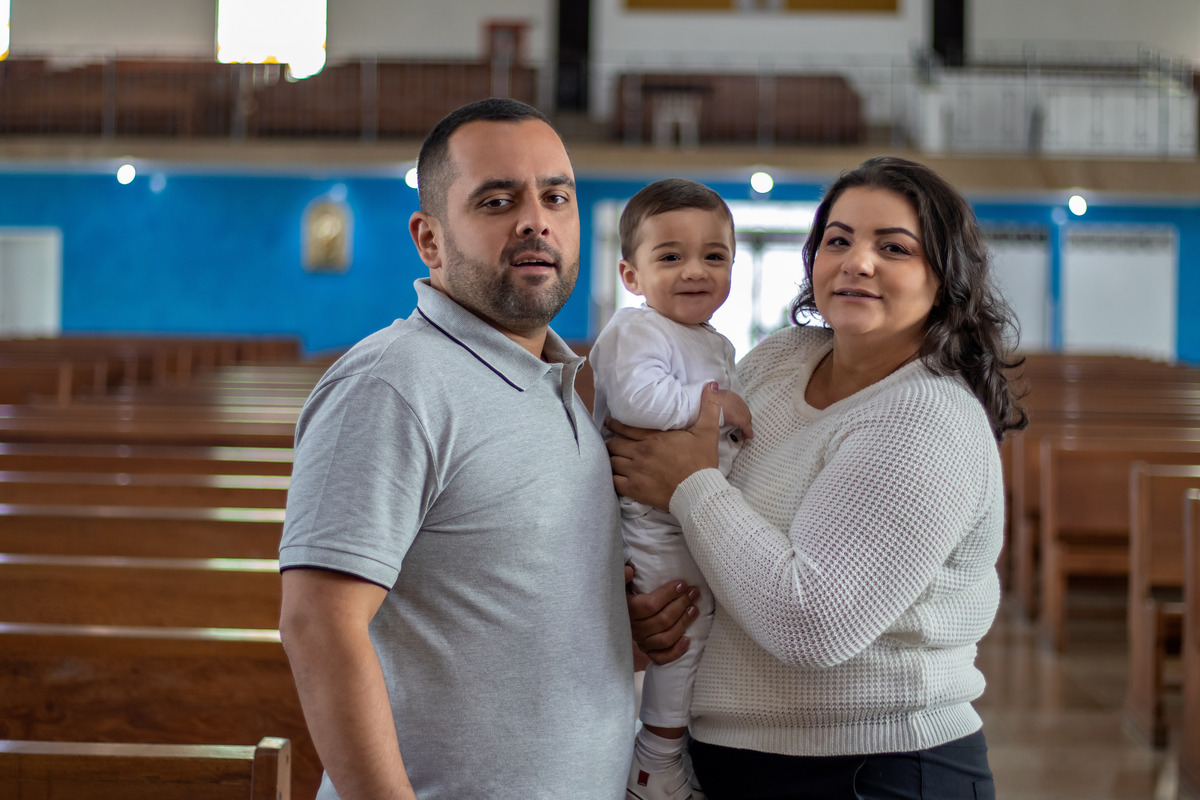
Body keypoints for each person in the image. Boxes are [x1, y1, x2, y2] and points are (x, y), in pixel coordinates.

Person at [609, 156, 1027, 800]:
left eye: (893, 247)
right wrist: (654, 605)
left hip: (871, 768)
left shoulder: (927, 417)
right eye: (838, 240)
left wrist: (689, 487)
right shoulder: (782, 359)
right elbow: (684, 507)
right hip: (730, 758)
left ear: (945, 277)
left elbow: (811, 622)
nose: (857, 262)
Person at [277, 98, 634, 800]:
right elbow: (318, 624)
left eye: (556, 197)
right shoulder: (393, 382)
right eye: (498, 201)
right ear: (430, 239)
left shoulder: (566, 384)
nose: (536, 221)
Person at [589, 178, 753, 800]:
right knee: (684, 632)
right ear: (631, 276)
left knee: (702, 629)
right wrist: (719, 404)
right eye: (671, 256)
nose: (695, 270)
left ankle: (671, 750)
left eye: (714, 255)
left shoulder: (714, 341)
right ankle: (653, 763)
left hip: (690, 508)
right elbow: (639, 401)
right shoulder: (636, 329)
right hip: (650, 519)